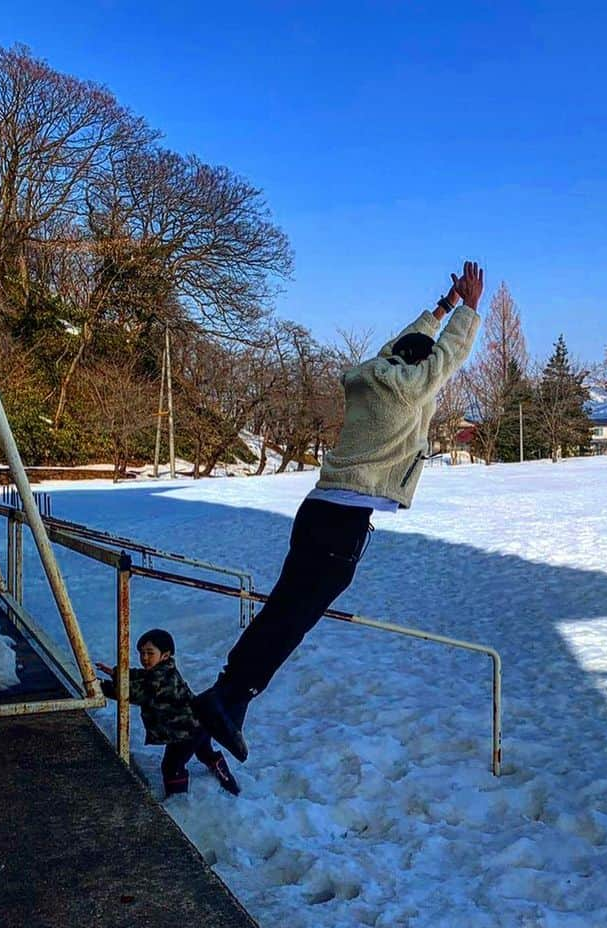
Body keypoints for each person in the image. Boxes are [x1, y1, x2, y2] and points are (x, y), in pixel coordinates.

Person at [195, 260, 485, 762]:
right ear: (417, 370)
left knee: (284, 609)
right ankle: (229, 699)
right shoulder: (411, 390)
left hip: (320, 511)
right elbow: (446, 359)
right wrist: (471, 311)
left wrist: (442, 306)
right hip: (342, 524)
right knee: (292, 617)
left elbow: (407, 346)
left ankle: (228, 698)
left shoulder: (372, 376)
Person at [97, 628, 241, 797]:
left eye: (150, 653)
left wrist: (101, 686)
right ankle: (230, 785)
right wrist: (117, 673)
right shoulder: (163, 670)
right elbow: (142, 676)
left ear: (165, 655)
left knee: (172, 765)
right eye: (142, 653)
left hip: (184, 731)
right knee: (204, 752)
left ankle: (177, 800)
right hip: (198, 722)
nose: (144, 658)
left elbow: (133, 692)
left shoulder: (161, 678)